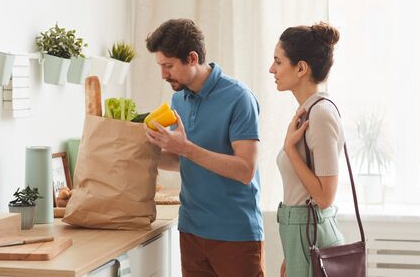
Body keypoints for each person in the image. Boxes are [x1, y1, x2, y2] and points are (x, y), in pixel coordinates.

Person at [144, 18, 265, 277]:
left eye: (168, 66)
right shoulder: (179, 99)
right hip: (191, 231)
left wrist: (185, 148)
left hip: (235, 234)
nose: (163, 74)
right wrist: (147, 152)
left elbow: (245, 170)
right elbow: (182, 160)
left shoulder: (239, 98)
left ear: (192, 57)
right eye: (160, 66)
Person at [269, 22, 345, 277]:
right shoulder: (308, 112)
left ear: (301, 68)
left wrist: (290, 150)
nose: (272, 69)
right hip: (301, 237)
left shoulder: (321, 113)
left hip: (311, 236)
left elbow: (325, 197)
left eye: (278, 62)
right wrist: (291, 252)